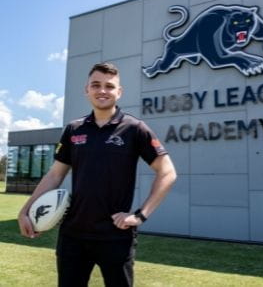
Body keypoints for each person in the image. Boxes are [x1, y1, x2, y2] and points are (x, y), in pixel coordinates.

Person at [18, 62, 177, 287]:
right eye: (96, 85)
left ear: (119, 92)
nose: (102, 90)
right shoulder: (74, 130)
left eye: (109, 86)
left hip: (116, 235)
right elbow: (54, 175)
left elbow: (167, 172)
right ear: (87, 90)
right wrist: (25, 211)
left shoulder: (134, 128)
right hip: (73, 235)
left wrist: (140, 215)